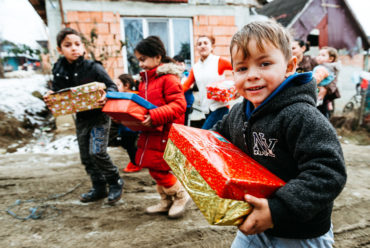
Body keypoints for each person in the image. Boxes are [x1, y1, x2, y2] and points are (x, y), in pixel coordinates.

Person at [211, 21, 346, 247]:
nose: (252, 75)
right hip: (253, 220)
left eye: (264, 64)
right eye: (242, 68)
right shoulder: (237, 112)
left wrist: (277, 209)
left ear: (290, 66)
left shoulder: (301, 115)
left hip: (300, 232)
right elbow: (216, 139)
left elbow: (328, 172)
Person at [43, 27, 123, 205]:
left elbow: (112, 86)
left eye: (78, 44)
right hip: (81, 118)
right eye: (68, 45)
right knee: (86, 157)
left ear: (83, 47)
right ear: (59, 49)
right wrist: (50, 95)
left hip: (100, 117)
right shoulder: (58, 70)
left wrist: (107, 95)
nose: (74, 48)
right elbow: (57, 91)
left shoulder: (93, 67)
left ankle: (115, 181)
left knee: (97, 152)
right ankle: (99, 187)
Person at [133, 36, 190, 218]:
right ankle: (166, 201)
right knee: (154, 166)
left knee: (159, 168)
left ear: (157, 57)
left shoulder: (168, 79)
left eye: (143, 59)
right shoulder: (145, 81)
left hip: (165, 131)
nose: (140, 64)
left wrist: (155, 116)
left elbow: (179, 105)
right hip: (152, 131)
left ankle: (181, 195)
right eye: (139, 60)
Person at [182, 35, 233, 129]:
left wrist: (233, 86)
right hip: (206, 109)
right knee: (215, 139)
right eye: (199, 44)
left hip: (220, 107)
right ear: (196, 48)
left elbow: (238, 69)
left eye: (206, 43)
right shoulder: (196, 67)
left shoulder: (219, 61)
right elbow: (186, 86)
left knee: (205, 133)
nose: (202, 46)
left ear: (212, 47)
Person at [115, 74, 141, 173]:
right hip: (124, 126)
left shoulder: (133, 96)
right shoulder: (122, 96)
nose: (116, 87)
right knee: (126, 144)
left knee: (129, 144)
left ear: (126, 85)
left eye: (118, 85)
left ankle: (135, 163)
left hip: (131, 128)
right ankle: (135, 161)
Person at [313, 46, 341, 118]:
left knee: (317, 113)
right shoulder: (331, 68)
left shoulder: (322, 69)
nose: (319, 57)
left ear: (331, 59)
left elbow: (314, 80)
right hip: (322, 96)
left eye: (323, 55)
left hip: (317, 93)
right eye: (318, 55)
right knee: (322, 113)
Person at [173, 55, 193, 126]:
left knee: (185, 123)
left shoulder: (188, 74)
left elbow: (194, 86)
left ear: (184, 65)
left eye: (181, 64)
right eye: (177, 65)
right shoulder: (173, 76)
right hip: (177, 104)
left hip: (187, 103)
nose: (179, 67)